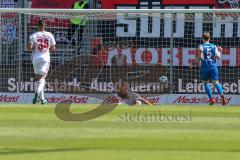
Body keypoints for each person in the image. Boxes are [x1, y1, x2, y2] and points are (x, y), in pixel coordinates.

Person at [28, 20, 56, 105]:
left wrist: (35, 48)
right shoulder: (49, 34)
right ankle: (37, 92)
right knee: (42, 79)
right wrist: (46, 50)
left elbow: (29, 47)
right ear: (45, 26)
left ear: (37, 26)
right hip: (45, 58)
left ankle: (43, 99)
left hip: (35, 58)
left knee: (39, 79)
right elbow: (53, 48)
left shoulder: (33, 35)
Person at [196, 32, 227, 105]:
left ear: (203, 39)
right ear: (209, 38)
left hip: (205, 67)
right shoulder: (214, 46)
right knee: (216, 83)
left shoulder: (201, 46)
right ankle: (223, 97)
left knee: (205, 83)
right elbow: (219, 57)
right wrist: (220, 50)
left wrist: (196, 62)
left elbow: (201, 57)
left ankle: (211, 99)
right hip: (213, 66)